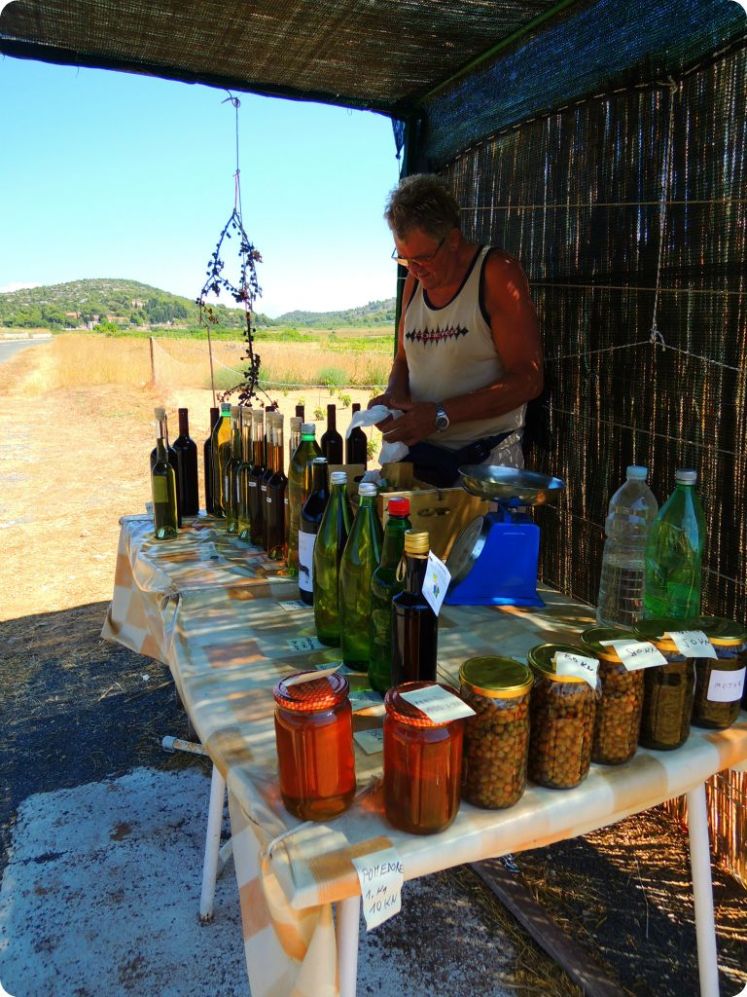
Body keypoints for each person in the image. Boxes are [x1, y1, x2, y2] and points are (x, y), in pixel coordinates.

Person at [369, 173, 543, 486]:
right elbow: (403, 360)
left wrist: (439, 414)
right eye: (405, 259)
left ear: (452, 240)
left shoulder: (495, 274)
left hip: (484, 465)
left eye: (422, 258)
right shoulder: (414, 280)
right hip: (420, 458)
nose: (416, 270)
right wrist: (393, 401)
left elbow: (528, 380)